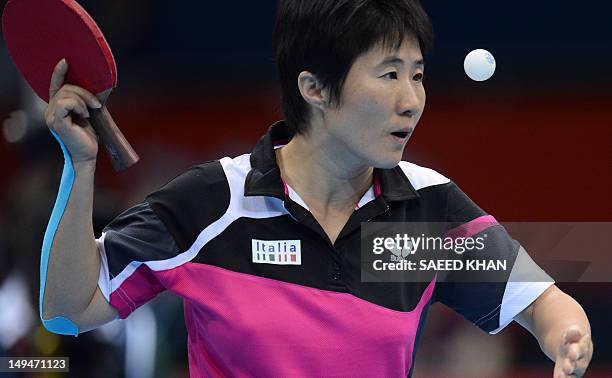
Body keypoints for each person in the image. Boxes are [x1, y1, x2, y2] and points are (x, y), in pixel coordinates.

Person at [40, 0, 593, 376]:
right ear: (314, 88)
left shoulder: (427, 212)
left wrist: (567, 337)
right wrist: (79, 167)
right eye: (388, 73)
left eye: (418, 74)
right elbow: (69, 309)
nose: (411, 99)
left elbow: (545, 305)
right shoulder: (214, 203)